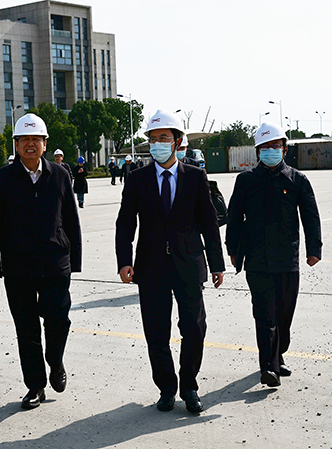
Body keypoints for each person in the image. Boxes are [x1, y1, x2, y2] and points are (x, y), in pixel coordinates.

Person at [115, 110, 224, 414]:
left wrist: (216, 263)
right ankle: (166, 388)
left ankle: (189, 386)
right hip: (150, 267)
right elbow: (125, 223)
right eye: (153, 139)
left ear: (177, 141)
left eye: (163, 138)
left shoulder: (196, 177)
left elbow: (209, 223)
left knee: (194, 328)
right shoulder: (137, 179)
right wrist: (124, 261)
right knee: (156, 332)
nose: (157, 143)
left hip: (188, 264)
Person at [0, 113, 82, 410]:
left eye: (35, 139)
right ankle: (35, 385)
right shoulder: (2, 179)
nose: (30, 144)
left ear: (45, 144)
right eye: (24, 139)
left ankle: (55, 361)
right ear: (16, 144)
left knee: (58, 320)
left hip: (55, 264)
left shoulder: (60, 175)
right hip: (18, 267)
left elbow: (71, 220)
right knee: (26, 328)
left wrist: (75, 259)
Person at [226, 122, 322, 388]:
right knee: (264, 315)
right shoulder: (246, 180)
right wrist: (232, 249)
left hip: (287, 259)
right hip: (256, 259)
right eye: (265, 146)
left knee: (284, 314)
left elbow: (311, 216)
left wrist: (314, 249)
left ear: (284, 149)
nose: (271, 150)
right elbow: (234, 217)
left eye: (275, 146)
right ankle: (268, 367)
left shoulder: (297, 180)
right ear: (258, 151)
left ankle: (278, 355)